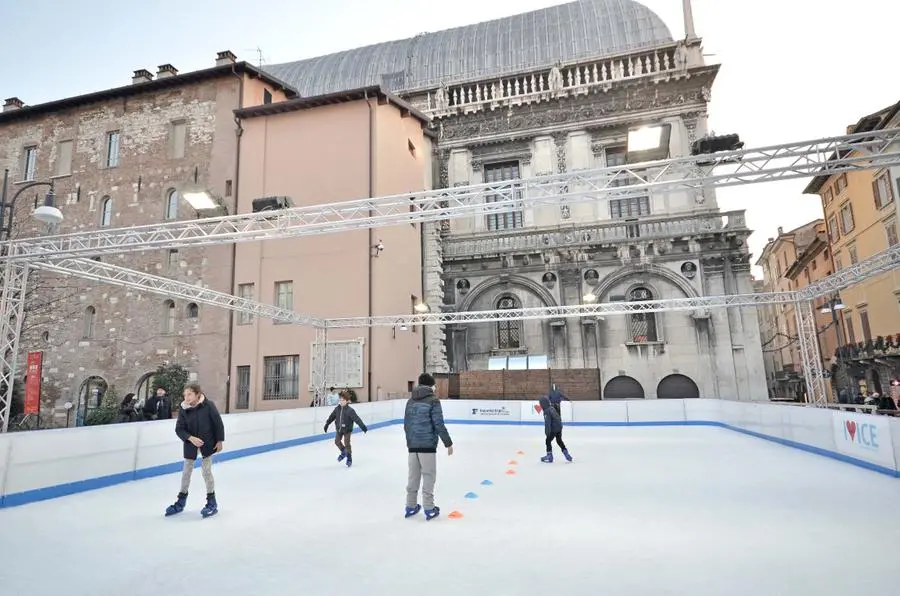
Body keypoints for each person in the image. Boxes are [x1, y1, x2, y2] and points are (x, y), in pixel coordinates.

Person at [165, 383, 225, 518]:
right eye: (185, 395)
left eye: (189, 394)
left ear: (197, 394)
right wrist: (190, 438)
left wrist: (219, 440)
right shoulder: (183, 409)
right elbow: (179, 429)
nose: (186, 397)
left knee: (206, 471)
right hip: (190, 443)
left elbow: (218, 423)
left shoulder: (209, 405)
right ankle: (181, 501)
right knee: (186, 472)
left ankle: (212, 502)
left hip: (207, 443)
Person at [404, 373, 453, 521]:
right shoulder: (433, 401)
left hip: (413, 446)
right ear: (431, 386)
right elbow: (438, 424)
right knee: (428, 475)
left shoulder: (410, 401)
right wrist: (448, 443)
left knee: (413, 477)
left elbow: (406, 425)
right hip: (427, 446)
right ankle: (429, 508)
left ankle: (410, 506)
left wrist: (410, 442)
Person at [324, 392, 368, 467]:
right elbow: (331, 417)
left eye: (343, 400)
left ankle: (349, 458)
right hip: (339, 429)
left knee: (347, 443)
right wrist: (327, 424)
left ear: (347, 401)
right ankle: (344, 452)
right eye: (340, 400)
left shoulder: (350, 410)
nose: (341, 401)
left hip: (347, 430)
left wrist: (362, 426)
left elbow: (357, 419)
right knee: (337, 441)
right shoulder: (337, 409)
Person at [540, 394, 572, 463]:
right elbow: (558, 417)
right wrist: (560, 426)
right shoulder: (552, 408)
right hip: (559, 427)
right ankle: (566, 454)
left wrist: (547, 433)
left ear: (543, 404)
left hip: (554, 428)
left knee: (547, 441)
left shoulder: (547, 411)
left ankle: (549, 456)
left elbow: (548, 424)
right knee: (559, 440)